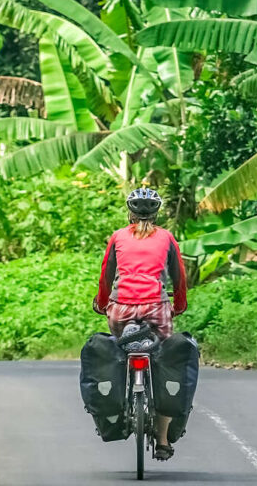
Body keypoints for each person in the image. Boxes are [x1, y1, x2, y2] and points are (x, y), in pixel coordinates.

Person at [93, 187, 187, 461]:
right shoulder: (167, 238)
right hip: (157, 310)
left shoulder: (118, 237)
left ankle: (120, 402)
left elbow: (106, 277)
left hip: (121, 311)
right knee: (163, 363)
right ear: (157, 213)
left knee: (120, 351)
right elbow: (179, 277)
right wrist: (178, 305)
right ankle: (162, 440)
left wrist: (102, 303)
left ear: (130, 212)